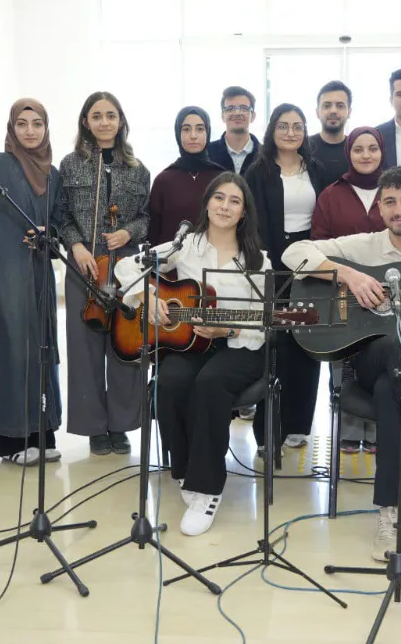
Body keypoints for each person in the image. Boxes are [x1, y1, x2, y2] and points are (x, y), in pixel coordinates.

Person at [282, 166, 401, 561]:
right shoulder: (364, 246)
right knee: (393, 345)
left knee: (398, 385)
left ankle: (390, 513)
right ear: (380, 207)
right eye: (390, 201)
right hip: (374, 353)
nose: (399, 209)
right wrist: (348, 276)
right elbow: (294, 253)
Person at [114, 172, 269, 536]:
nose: (225, 206)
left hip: (239, 345)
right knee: (169, 381)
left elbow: (263, 321)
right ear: (207, 203)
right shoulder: (185, 245)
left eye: (234, 201)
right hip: (189, 341)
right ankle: (183, 467)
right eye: (219, 198)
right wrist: (148, 296)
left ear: (244, 212)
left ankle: (207, 489)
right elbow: (124, 267)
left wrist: (226, 328)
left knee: (211, 383)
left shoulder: (258, 260)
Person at [0, 99, 64, 465]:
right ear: (11, 128)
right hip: (3, 274)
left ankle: (42, 432)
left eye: (37, 123)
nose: (30, 130)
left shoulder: (54, 172)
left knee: (40, 350)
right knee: (9, 351)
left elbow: (59, 222)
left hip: (38, 274)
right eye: (22, 123)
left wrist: (47, 233)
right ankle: (9, 442)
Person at [59, 92, 150, 456]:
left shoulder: (137, 168)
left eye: (111, 115)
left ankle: (121, 423)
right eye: (96, 116)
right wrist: (76, 245)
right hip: (84, 265)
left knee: (125, 345)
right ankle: (95, 426)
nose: (104, 122)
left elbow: (146, 217)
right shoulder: (70, 165)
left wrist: (129, 232)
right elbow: (61, 215)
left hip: (125, 265)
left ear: (120, 121)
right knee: (84, 349)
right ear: (86, 121)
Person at [245, 103, 326, 452]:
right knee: (273, 347)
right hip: (271, 264)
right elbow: (250, 223)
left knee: (306, 341)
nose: (291, 132)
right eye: (284, 126)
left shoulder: (317, 169)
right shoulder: (257, 171)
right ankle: (268, 432)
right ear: (271, 131)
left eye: (298, 126)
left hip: (310, 262)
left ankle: (298, 425)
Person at [310, 126, 387, 453]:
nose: (366, 155)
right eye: (358, 149)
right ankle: (348, 428)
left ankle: (380, 428)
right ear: (348, 153)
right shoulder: (331, 194)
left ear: (382, 152)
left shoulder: (394, 190)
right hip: (342, 290)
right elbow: (317, 245)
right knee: (345, 359)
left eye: (372, 148)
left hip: (386, 292)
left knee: (381, 356)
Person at [147, 106, 225, 245]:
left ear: (208, 132)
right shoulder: (163, 180)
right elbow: (153, 234)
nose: (193, 135)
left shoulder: (223, 178)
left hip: (213, 262)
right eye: (186, 129)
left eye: (200, 129)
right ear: (178, 133)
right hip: (171, 262)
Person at [208, 86, 260, 175]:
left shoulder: (265, 155)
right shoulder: (208, 153)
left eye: (243, 108)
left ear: (253, 116)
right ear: (222, 116)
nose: (237, 113)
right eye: (230, 108)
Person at [309, 80, 353, 187]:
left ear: (349, 112)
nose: (333, 111)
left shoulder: (356, 149)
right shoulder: (303, 147)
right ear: (317, 112)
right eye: (327, 106)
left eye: (340, 106)